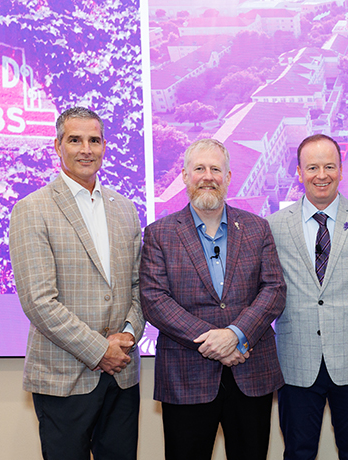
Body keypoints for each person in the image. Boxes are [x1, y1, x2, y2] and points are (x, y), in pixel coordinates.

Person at [9, 106, 145, 460]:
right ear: (58, 146)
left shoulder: (125, 208)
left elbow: (138, 287)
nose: (86, 149)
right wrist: (100, 350)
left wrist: (128, 335)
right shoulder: (32, 209)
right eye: (75, 140)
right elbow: (39, 301)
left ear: (104, 147)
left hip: (122, 375)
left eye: (94, 140)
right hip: (63, 377)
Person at [140, 138, 286, 460]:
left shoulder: (257, 228)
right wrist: (214, 341)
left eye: (216, 169)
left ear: (228, 177)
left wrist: (234, 335)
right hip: (185, 377)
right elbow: (154, 300)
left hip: (250, 371)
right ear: (185, 175)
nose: (208, 176)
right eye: (199, 169)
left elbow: (274, 289)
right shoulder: (159, 234)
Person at [266, 134, 348, 460]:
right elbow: (265, 292)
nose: (321, 175)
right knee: (297, 453)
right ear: (299, 172)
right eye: (312, 167)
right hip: (295, 362)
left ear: (341, 170)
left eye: (329, 166)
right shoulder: (274, 225)